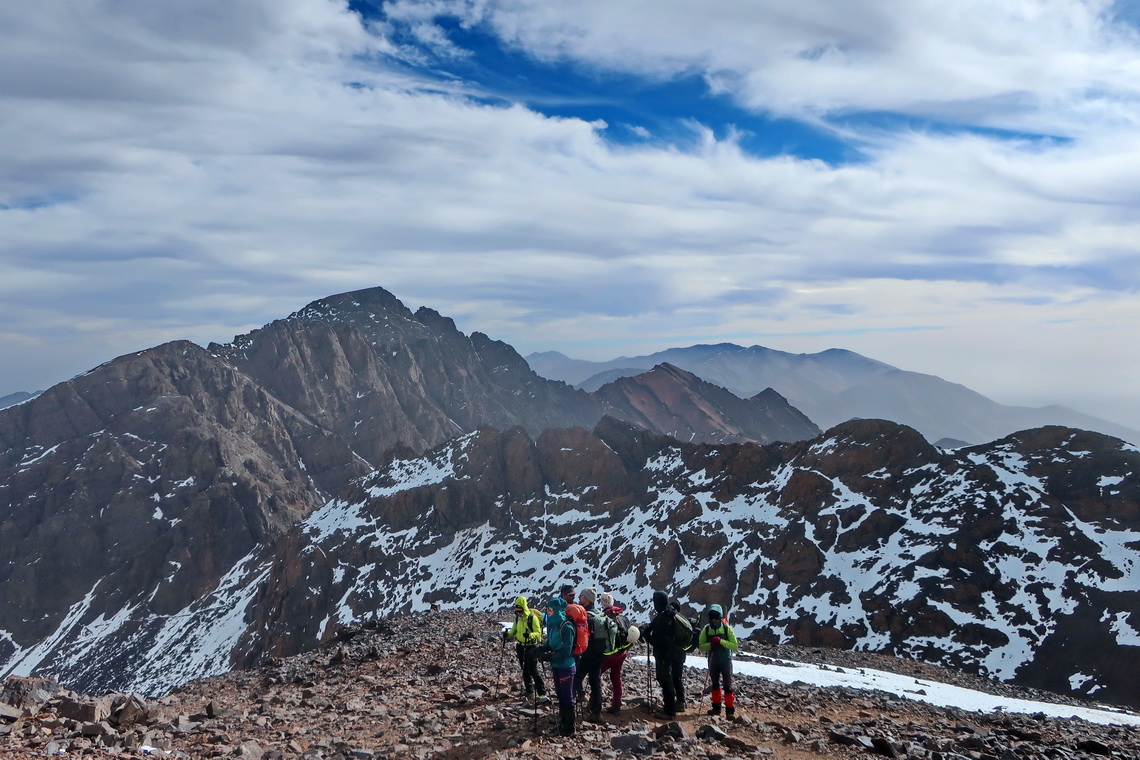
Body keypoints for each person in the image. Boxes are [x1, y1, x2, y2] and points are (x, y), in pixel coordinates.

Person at [539, 597, 579, 737]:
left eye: (550, 610)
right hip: (557, 665)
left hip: (566, 666)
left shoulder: (566, 627)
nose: (548, 612)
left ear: (557, 611)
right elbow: (551, 644)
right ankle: (563, 723)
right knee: (560, 696)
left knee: (567, 697)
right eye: (548, 609)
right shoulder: (553, 626)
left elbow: (566, 651)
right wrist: (541, 649)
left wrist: (548, 657)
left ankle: (569, 727)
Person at [502, 596, 550, 705]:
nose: (518, 613)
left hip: (531, 646)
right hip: (520, 645)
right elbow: (514, 631)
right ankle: (529, 690)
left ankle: (542, 693)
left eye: (520, 611)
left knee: (532, 669)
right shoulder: (517, 618)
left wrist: (530, 635)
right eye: (516, 611)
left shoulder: (532, 618)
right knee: (524, 668)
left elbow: (538, 632)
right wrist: (507, 635)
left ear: (524, 608)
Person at [643, 590, 683, 717]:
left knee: (665, 680)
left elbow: (657, 640)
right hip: (673, 654)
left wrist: (646, 636)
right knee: (669, 679)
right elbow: (651, 627)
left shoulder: (663, 618)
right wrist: (646, 629)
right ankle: (674, 705)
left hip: (664, 655)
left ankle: (669, 711)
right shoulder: (669, 614)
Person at [698, 604, 739, 718]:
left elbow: (735, 645)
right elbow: (701, 646)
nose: (713, 620)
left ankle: (730, 711)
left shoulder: (726, 628)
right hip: (713, 661)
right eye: (711, 618)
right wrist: (710, 644)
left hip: (725, 660)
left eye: (715, 618)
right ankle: (716, 709)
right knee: (715, 684)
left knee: (728, 686)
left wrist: (721, 642)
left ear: (720, 617)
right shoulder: (706, 629)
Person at [574, 587, 606, 721]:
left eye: (581, 596)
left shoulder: (585, 616)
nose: (579, 598)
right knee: (595, 682)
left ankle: (579, 699)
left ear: (586, 599)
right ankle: (596, 712)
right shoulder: (599, 614)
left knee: (576, 678)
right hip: (600, 653)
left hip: (588, 653)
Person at [599, 602, 635, 714]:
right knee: (615, 677)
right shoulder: (623, 618)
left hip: (610, 654)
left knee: (596, 675)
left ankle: (594, 703)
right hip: (622, 652)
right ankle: (616, 704)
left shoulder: (605, 618)